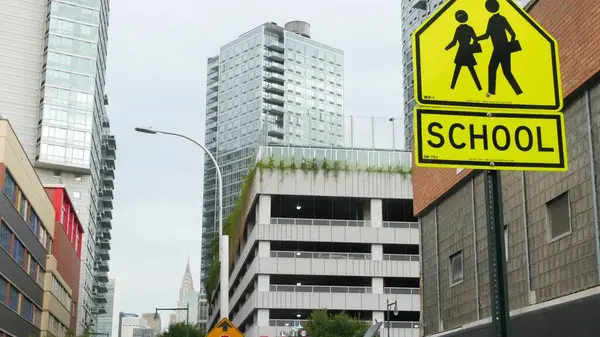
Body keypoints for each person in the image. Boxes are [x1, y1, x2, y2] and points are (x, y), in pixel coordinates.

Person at [477, 0, 523, 95]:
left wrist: (476, 39)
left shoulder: (494, 20)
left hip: (499, 49)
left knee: (494, 69)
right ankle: (518, 92)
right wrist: (509, 45)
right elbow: (512, 34)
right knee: (505, 71)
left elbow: (487, 35)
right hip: (502, 49)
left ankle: (492, 92)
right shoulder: (500, 19)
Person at [445, 10, 482, 91]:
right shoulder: (470, 28)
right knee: (471, 70)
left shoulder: (459, 29)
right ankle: (479, 88)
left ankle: (452, 88)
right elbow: (475, 40)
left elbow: (454, 42)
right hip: (468, 51)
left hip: (461, 51)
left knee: (457, 71)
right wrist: (472, 47)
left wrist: (446, 49)